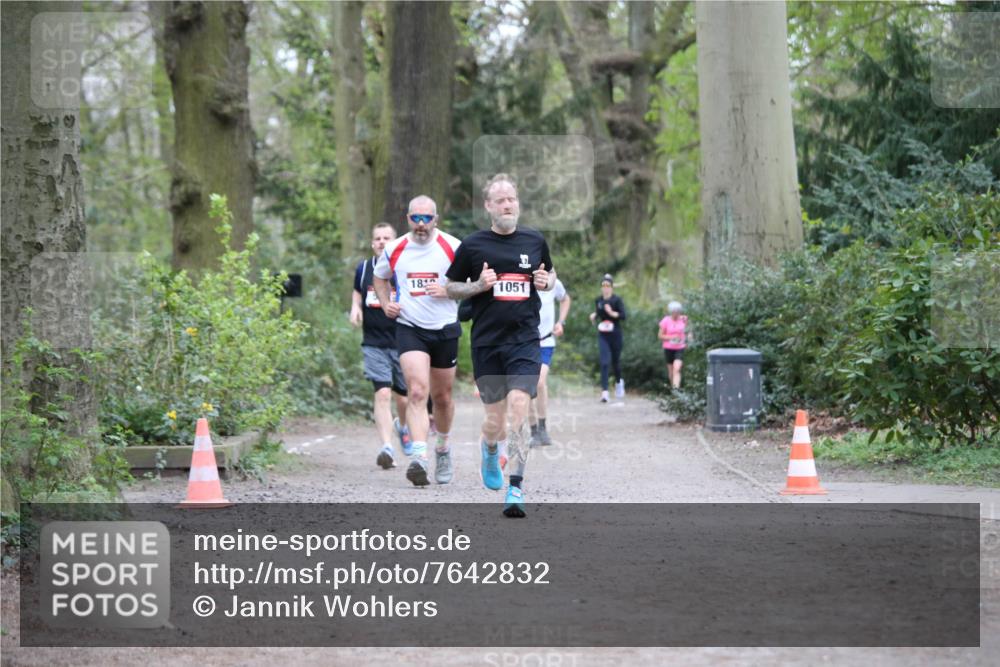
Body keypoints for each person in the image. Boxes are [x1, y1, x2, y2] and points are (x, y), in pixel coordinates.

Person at [445, 173, 555, 518]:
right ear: (488, 206)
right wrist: (478, 285)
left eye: (512, 199)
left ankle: (516, 487)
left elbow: (550, 275)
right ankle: (490, 448)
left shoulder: (534, 240)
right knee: (495, 421)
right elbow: (450, 287)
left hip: (524, 340)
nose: (508, 205)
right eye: (501, 200)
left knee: (520, 407)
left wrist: (546, 281)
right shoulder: (473, 245)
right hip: (487, 344)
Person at [373, 196, 461, 487]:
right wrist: (386, 304)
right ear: (408, 218)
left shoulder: (453, 246)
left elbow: (474, 284)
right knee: (417, 391)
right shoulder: (395, 248)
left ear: (436, 219)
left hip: (445, 327)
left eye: (427, 218)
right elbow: (379, 278)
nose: (421, 224)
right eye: (416, 218)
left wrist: (449, 290)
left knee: (443, 398)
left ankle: (443, 448)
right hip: (410, 327)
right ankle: (420, 457)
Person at [350, 222, 411, 470]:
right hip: (374, 342)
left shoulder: (404, 268)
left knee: (404, 399)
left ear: (395, 243)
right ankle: (387, 447)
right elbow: (358, 291)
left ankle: (403, 427)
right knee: (383, 393)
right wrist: (355, 307)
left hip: (403, 341)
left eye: (387, 238)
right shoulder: (364, 268)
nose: (382, 242)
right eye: (377, 238)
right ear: (372, 243)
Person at [530, 277, 571, 447]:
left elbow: (565, 299)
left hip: (546, 341)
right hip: (525, 342)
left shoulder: (553, 282)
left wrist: (561, 322)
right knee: (526, 386)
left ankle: (542, 427)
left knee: (539, 382)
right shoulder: (525, 279)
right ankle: (533, 431)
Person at [589, 274, 626, 403]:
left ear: (612, 287)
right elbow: (599, 313)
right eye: (603, 285)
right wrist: (594, 316)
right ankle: (604, 392)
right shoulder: (598, 300)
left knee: (616, 362)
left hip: (615, 334)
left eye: (608, 285)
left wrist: (611, 313)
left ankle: (619, 383)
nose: (605, 288)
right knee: (604, 362)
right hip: (603, 334)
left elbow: (623, 316)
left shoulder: (617, 300)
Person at [659, 300, 687, 388]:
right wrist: (672, 337)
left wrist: (689, 337)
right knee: (671, 372)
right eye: (674, 312)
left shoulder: (684, 319)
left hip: (680, 347)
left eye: (678, 312)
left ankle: (676, 390)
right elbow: (660, 336)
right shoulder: (665, 321)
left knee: (677, 368)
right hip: (668, 348)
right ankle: (673, 390)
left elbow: (689, 330)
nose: (676, 314)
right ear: (671, 312)